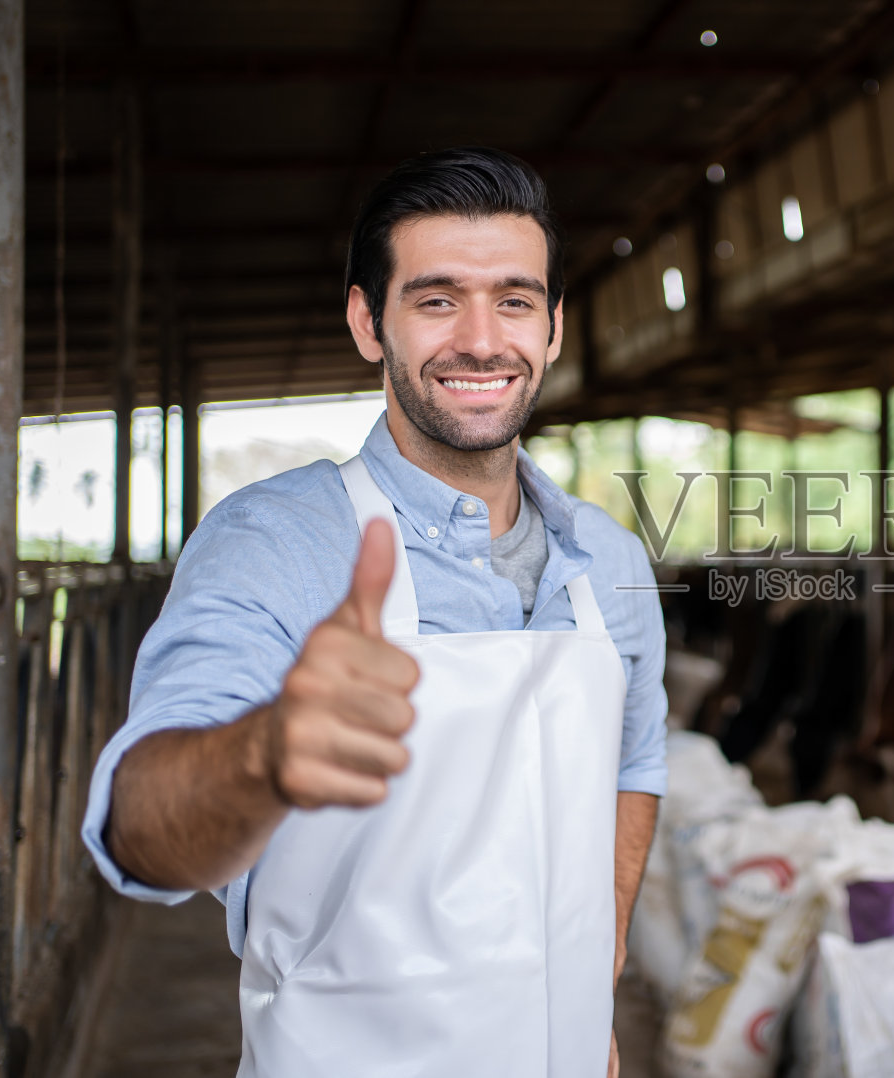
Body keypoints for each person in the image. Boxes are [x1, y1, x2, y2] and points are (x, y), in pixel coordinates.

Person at [80, 147, 667, 1077]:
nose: (482, 340)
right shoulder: (275, 544)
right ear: (368, 322)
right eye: (437, 300)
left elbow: (634, 763)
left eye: (515, 301)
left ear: (554, 327)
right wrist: (265, 751)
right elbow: (139, 833)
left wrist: (601, 964)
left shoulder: (613, 560)